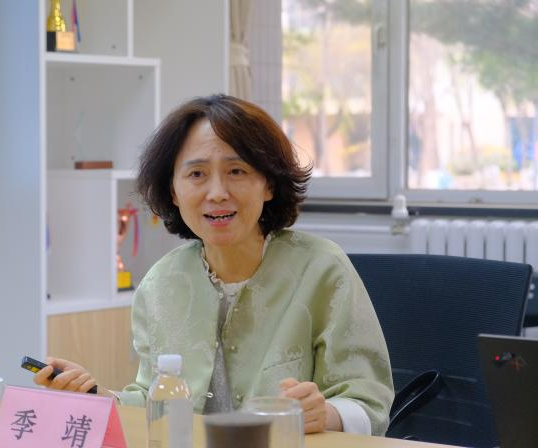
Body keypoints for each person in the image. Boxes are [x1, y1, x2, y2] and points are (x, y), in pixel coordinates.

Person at [34, 94, 394, 436]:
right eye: (196, 174)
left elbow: (370, 401)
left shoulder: (322, 268)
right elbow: (153, 400)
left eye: (236, 171)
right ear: (173, 192)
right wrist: (96, 396)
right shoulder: (160, 284)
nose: (217, 192)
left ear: (268, 184)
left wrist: (326, 413)